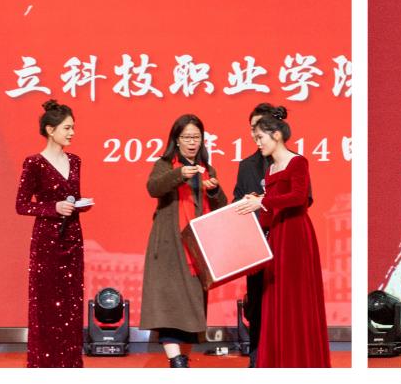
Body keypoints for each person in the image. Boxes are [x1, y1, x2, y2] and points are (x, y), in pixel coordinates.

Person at [234, 106, 330, 366]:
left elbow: (299, 197)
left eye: (260, 138)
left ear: (276, 135)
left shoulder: (298, 162)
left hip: (296, 235)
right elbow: (270, 208)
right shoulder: (271, 169)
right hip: (276, 236)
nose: (258, 143)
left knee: (296, 297)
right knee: (275, 299)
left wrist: (263, 201)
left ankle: (301, 360)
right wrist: (253, 203)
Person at [139, 115, 227, 367]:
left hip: (196, 246)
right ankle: (176, 360)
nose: (192, 142)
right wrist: (178, 174)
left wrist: (213, 190)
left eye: (196, 137)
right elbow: (153, 188)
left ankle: (182, 360)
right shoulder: (165, 164)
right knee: (169, 304)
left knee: (191, 306)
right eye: (187, 137)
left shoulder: (206, 168)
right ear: (176, 140)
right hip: (169, 245)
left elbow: (221, 207)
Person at [15, 99, 85, 367]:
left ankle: (70, 363)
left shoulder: (75, 161)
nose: (72, 133)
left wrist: (79, 205)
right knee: (45, 305)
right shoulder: (34, 163)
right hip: (47, 240)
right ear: (50, 129)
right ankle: (44, 365)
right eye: (67, 128)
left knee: (71, 303)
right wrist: (53, 208)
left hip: (73, 238)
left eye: (73, 127)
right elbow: (21, 205)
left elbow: (73, 197)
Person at [233, 102, 281, 365]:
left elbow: (304, 198)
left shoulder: (292, 161)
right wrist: (244, 202)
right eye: (253, 128)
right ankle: (256, 360)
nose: (256, 133)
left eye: (261, 128)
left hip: (283, 241)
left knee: (284, 305)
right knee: (257, 305)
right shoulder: (247, 165)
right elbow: (236, 201)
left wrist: (265, 201)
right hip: (255, 244)